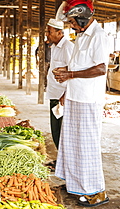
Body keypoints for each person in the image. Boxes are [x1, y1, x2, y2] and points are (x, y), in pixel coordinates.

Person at [52, 0, 110, 207]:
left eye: (73, 21)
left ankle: (97, 191)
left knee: (88, 146)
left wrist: (71, 75)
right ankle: (78, 185)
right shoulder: (82, 37)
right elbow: (79, 66)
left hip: (88, 100)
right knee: (73, 144)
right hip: (76, 97)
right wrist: (67, 80)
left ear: (83, 17)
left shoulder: (99, 36)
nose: (71, 25)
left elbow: (101, 68)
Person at [45, 19, 74, 150]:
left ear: (59, 32)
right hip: (54, 94)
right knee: (55, 130)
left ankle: (65, 161)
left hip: (62, 96)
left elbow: (74, 71)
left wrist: (66, 94)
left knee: (63, 131)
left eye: (49, 32)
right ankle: (61, 159)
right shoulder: (55, 46)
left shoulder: (68, 47)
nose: (47, 34)